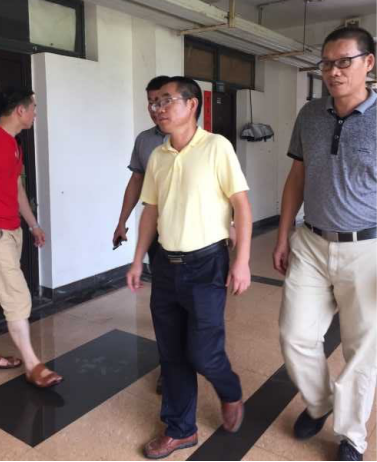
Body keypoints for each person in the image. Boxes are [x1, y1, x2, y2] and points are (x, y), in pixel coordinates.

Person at [127, 77, 253, 460]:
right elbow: (151, 211)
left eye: (167, 101)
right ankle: (180, 429)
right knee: (171, 354)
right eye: (155, 103)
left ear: (192, 104)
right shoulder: (158, 156)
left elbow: (241, 205)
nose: (158, 109)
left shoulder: (217, 147)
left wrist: (242, 260)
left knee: (203, 352)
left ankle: (229, 390)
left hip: (207, 264)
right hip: (166, 265)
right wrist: (138, 259)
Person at [273, 26, 377, 462]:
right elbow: (297, 175)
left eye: (344, 62)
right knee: (294, 335)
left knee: (362, 349)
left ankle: (351, 436)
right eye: (327, 63)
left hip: (368, 249)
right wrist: (283, 234)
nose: (333, 71)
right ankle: (320, 404)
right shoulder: (310, 114)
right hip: (311, 242)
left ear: (368, 63)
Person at [0, 87, 63, 389]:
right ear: (20, 110)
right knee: (18, 297)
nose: (35, 113)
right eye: (33, 107)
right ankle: (33, 365)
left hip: (11, 232)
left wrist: (33, 225)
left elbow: (17, 189)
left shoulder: (14, 144)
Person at [113, 76, 170, 266]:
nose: (155, 108)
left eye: (160, 102)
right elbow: (137, 180)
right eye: (151, 102)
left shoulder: (198, 141)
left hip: (190, 228)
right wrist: (122, 221)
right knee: (160, 278)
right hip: (155, 224)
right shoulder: (144, 140)